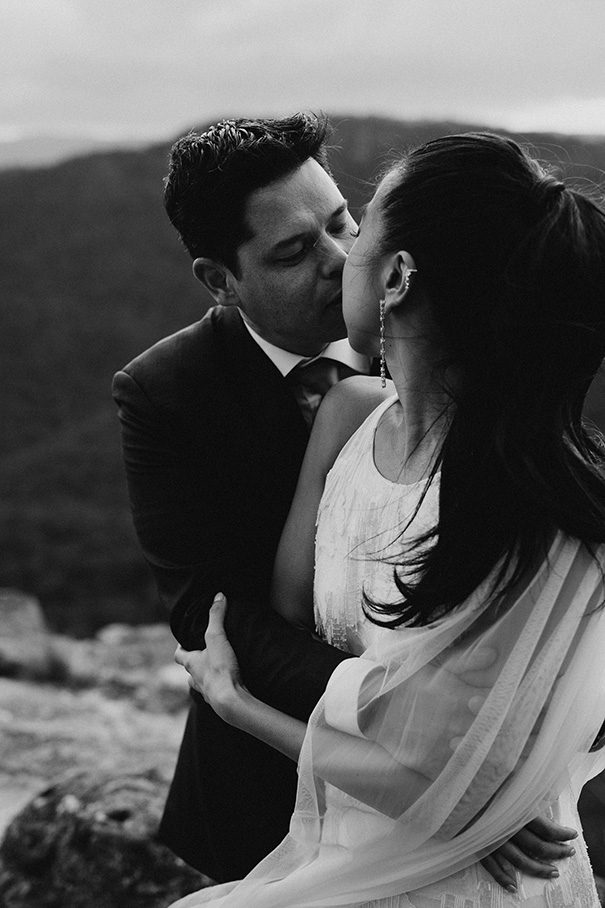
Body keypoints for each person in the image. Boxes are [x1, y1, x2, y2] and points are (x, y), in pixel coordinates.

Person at [113, 114, 574, 889]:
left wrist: (479, 768)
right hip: (268, 789)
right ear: (220, 280)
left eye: (341, 224)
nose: (338, 260)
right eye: (292, 252)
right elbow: (213, 612)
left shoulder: (445, 335)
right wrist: (429, 760)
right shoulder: (167, 393)